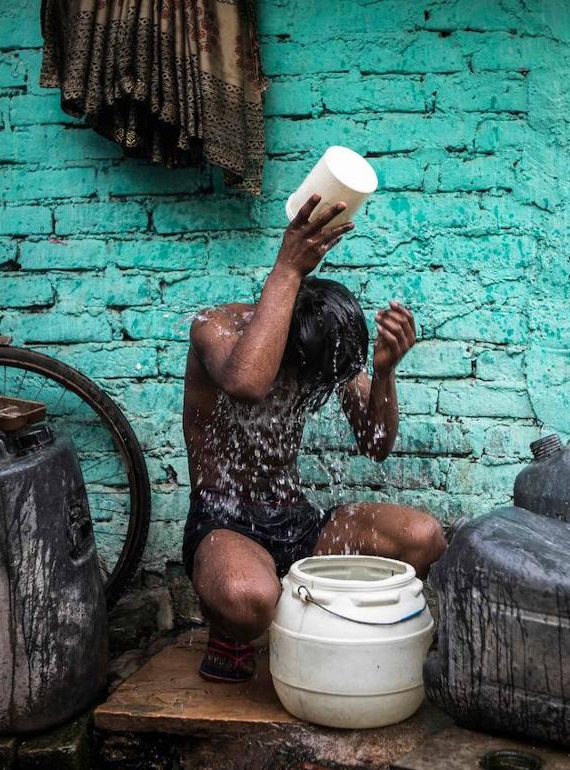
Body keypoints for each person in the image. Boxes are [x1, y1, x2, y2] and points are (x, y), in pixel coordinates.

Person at [182, 194, 447, 683]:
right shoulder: (218, 328)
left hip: (299, 524)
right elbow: (247, 384)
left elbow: (375, 444)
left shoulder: (320, 345)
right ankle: (236, 627)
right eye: (304, 378)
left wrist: (384, 373)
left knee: (422, 537)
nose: (309, 390)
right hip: (226, 525)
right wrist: (287, 268)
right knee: (247, 598)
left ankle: (317, 625)